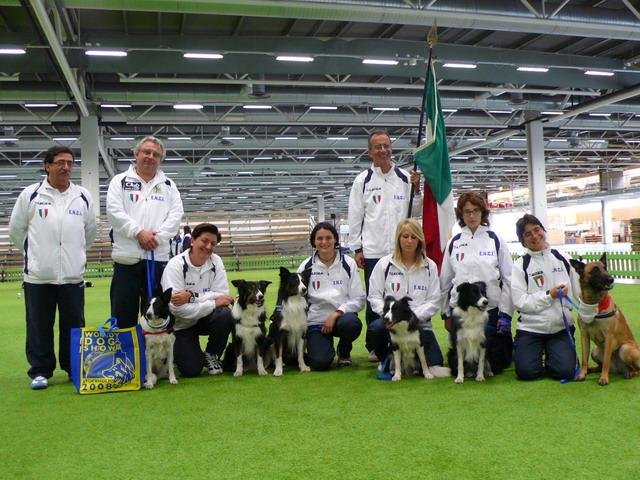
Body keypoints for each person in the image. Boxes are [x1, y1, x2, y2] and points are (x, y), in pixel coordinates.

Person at [9, 145, 96, 390]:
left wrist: (74, 255)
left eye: (69, 162)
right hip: (38, 276)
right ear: (48, 165)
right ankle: (40, 371)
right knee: (39, 325)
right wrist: (35, 256)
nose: (66, 167)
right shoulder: (31, 194)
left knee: (73, 325)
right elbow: (17, 231)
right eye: (60, 162)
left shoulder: (83, 196)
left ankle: (73, 368)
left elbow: (88, 232)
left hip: (71, 276)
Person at [347, 130, 422, 362]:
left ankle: (406, 338)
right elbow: (355, 215)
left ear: (391, 148)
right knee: (375, 299)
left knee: (402, 296)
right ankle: (375, 345)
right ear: (370, 152)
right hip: (373, 251)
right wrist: (357, 248)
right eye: (377, 147)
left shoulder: (404, 178)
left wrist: (417, 189)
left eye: (386, 145)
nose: (383, 150)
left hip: (402, 250)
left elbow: (415, 212)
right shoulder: (363, 181)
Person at [106, 135, 184, 328]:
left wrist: (157, 237)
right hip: (127, 259)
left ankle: (153, 358)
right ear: (136, 154)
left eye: (156, 154)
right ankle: (125, 357)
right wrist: (139, 233)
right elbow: (114, 212)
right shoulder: (120, 181)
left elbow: (176, 215)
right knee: (123, 314)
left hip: (157, 260)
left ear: (160, 159)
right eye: (146, 152)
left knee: (156, 315)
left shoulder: (169, 186)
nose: (150, 157)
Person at [440, 192, 514, 374]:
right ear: (461, 215)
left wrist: (505, 314)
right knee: (461, 362)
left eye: (475, 211)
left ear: (483, 213)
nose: (471, 216)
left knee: (500, 365)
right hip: (463, 313)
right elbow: (445, 280)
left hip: (491, 312)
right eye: (467, 212)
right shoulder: (454, 243)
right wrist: (446, 313)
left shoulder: (495, 240)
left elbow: (509, 279)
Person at [368, 219, 446, 372]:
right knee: (376, 328)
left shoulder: (430, 266)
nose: (409, 241)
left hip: (420, 326)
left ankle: (415, 362)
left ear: (419, 240)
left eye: (414, 237)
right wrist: (389, 315)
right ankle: (386, 359)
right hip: (391, 325)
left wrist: (412, 317)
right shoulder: (384, 264)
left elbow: (434, 300)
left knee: (435, 364)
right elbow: (374, 296)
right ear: (398, 238)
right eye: (405, 236)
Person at [511, 214, 580, 381]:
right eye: (528, 234)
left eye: (537, 230)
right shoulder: (520, 265)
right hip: (530, 329)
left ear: (543, 230)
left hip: (560, 328)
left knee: (564, 372)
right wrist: (550, 295)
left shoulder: (563, 257)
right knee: (527, 373)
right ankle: (533, 353)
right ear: (522, 240)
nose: (535, 236)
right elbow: (521, 302)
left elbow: (579, 292)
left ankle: (553, 354)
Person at [160, 223, 234, 377]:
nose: (208, 246)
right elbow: (177, 309)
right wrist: (213, 301)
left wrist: (191, 296)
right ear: (192, 240)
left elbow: (224, 298)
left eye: (213, 243)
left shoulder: (216, 261)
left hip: (205, 318)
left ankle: (211, 355)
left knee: (225, 314)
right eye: (204, 241)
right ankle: (179, 354)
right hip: (181, 324)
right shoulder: (175, 265)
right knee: (191, 370)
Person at [298, 222, 365, 370]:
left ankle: (344, 350)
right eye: (319, 238)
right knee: (320, 363)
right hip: (315, 322)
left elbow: (359, 299)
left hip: (342, 319)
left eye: (328, 238)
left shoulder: (349, 264)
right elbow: (296, 298)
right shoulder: (305, 266)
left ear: (335, 239)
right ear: (313, 242)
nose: (324, 242)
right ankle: (322, 348)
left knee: (351, 324)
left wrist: (337, 313)